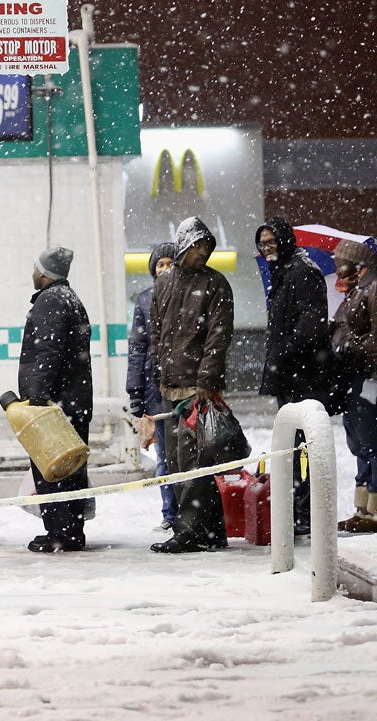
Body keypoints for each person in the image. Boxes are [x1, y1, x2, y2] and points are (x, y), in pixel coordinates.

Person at [149, 216, 234, 553]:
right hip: (171, 386)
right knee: (178, 460)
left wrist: (206, 381)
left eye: (207, 247)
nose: (204, 252)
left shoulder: (216, 284)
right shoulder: (164, 283)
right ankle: (210, 531)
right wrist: (159, 371)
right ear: (185, 245)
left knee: (193, 463)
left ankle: (190, 531)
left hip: (197, 388)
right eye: (198, 246)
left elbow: (219, 337)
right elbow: (156, 332)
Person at [255, 217, 332, 535]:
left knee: (305, 445)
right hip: (291, 374)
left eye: (272, 242)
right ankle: (300, 508)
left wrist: (284, 354)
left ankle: (307, 510)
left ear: (285, 241)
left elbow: (309, 326)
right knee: (295, 445)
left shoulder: (302, 272)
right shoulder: (285, 272)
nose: (266, 248)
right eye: (262, 243)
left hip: (302, 376)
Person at [19, 246, 93, 553]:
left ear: (45, 273)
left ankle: (60, 532)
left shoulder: (50, 301)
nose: (32, 273)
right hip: (73, 401)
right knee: (71, 470)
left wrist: (37, 396)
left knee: (53, 469)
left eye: (35, 268)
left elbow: (47, 353)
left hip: (57, 406)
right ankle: (71, 530)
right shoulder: (69, 298)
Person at [126, 242, 178, 532]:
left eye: (170, 263)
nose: (165, 269)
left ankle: (188, 512)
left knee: (185, 454)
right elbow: (137, 348)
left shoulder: (185, 296)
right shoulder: (145, 300)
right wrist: (135, 392)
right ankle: (169, 513)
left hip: (181, 389)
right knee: (165, 458)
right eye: (160, 264)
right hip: (154, 390)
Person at [331, 238, 377, 532]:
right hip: (354, 378)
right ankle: (363, 508)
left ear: (358, 265)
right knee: (358, 443)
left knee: (371, 443)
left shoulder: (372, 290)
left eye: (341, 264)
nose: (337, 271)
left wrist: (350, 343)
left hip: (369, 379)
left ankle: (373, 510)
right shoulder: (355, 292)